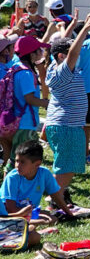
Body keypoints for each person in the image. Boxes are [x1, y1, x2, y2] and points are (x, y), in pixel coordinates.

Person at [44, 11, 90, 203]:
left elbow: (63, 46)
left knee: (65, 163)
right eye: (70, 54)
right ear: (61, 56)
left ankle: (61, 196)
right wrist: (83, 29)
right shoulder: (63, 71)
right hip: (67, 126)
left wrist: (72, 25)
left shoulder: (53, 66)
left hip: (63, 125)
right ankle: (55, 199)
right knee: (67, 167)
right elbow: (72, 51)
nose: (76, 55)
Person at [0, 141, 75, 248]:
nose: (17, 165)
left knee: (52, 219)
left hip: (27, 214)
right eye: (16, 161)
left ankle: (33, 227)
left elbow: (56, 196)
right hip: (12, 216)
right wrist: (37, 220)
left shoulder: (44, 174)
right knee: (40, 227)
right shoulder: (12, 178)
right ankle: (36, 229)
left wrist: (69, 214)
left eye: (22, 162)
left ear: (37, 164)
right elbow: (10, 210)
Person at [3, 36, 49, 172]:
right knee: (22, 161)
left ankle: (8, 188)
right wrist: (46, 103)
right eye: (38, 50)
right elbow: (29, 98)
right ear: (31, 54)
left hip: (17, 121)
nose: (41, 52)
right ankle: (10, 189)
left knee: (15, 159)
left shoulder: (16, 67)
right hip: (26, 123)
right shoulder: (26, 73)